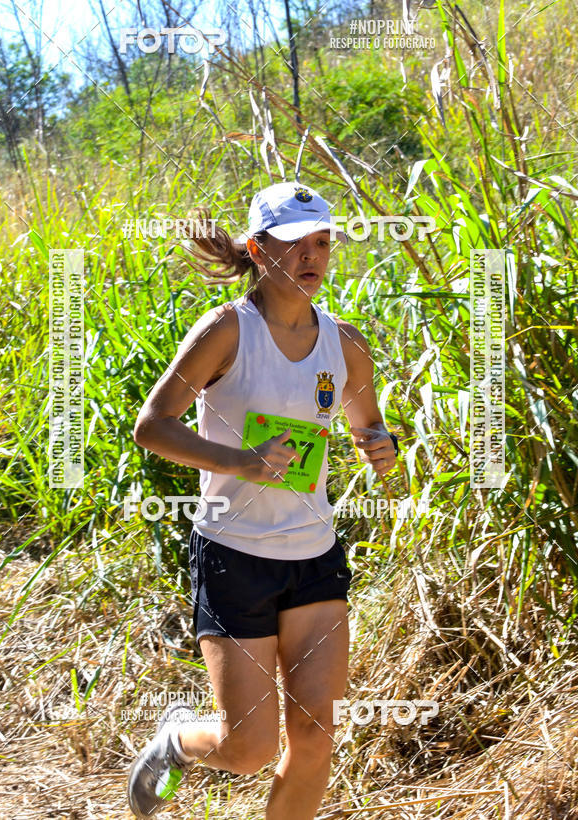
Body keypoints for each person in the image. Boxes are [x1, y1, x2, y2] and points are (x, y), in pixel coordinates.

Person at [126, 181, 398, 819]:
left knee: (315, 736)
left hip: (314, 555)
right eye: (293, 243)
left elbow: (368, 424)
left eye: (322, 243)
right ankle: (178, 737)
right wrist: (242, 462)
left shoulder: (345, 342)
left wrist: (379, 445)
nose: (311, 256)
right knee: (248, 748)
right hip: (234, 554)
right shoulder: (227, 330)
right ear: (256, 249)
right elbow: (152, 426)